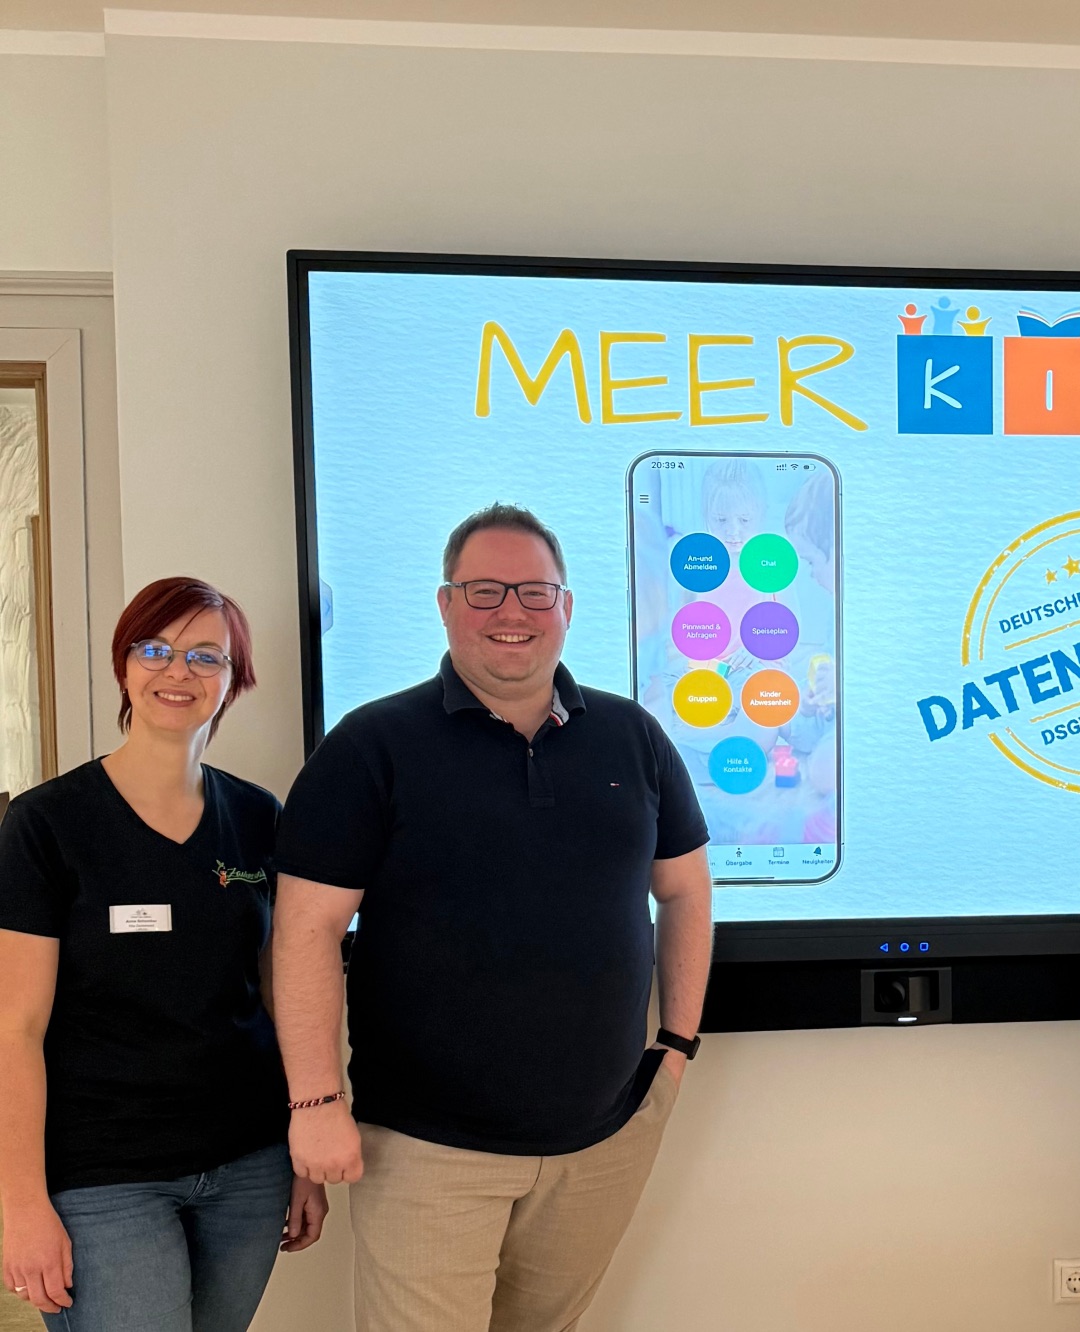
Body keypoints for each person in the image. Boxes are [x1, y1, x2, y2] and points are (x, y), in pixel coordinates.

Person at [271, 504, 713, 1332]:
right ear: (446, 604)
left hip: (603, 1140)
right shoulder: (371, 746)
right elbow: (305, 929)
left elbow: (685, 890)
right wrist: (315, 1100)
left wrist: (678, 1046)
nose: (512, 611)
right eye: (484, 590)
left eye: (534, 591)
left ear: (566, 607)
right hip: (426, 1150)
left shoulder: (635, 737)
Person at [0, 578, 327, 1329]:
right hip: (103, 1175)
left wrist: (304, 1151)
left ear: (233, 681)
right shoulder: (47, 825)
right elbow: (15, 1029)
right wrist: (19, 1203)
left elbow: (282, 998)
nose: (178, 671)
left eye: (206, 657)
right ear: (124, 666)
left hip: (249, 1165)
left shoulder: (258, 817)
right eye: (155, 650)